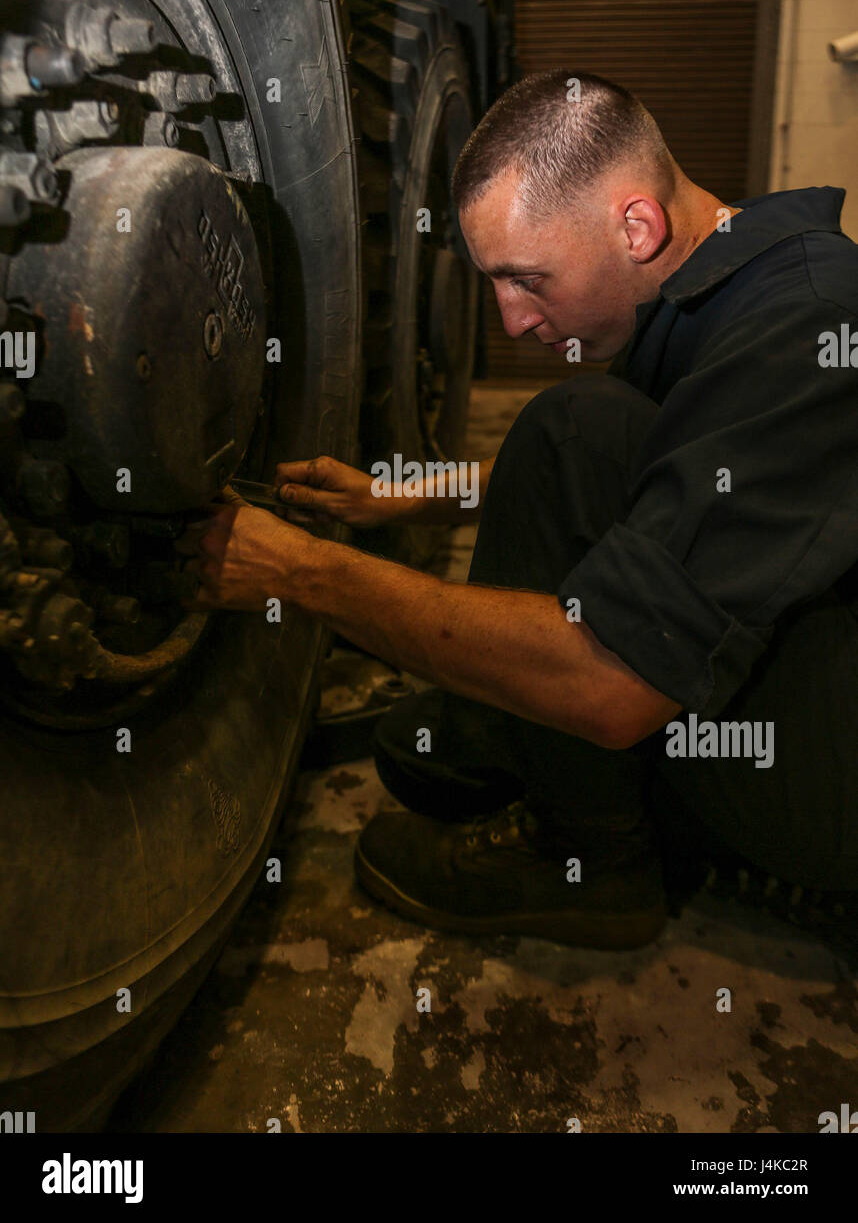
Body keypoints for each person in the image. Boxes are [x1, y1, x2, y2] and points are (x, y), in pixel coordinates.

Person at [178, 69, 858, 951]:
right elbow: (664, 467)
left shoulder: (808, 323)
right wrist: (402, 498)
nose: (511, 321)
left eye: (527, 279)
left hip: (837, 777)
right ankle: (590, 792)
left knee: (573, 436)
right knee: (432, 745)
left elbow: (617, 685)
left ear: (637, 226)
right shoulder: (723, 283)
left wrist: (303, 573)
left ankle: (593, 864)